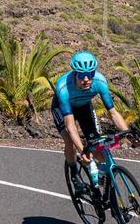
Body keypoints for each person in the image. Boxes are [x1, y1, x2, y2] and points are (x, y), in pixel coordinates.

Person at [50, 51, 130, 185]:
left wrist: (129, 133)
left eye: (90, 74)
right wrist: (83, 152)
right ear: (75, 73)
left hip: (84, 107)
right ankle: (74, 174)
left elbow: (113, 113)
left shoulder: (99, 81)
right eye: (81, 75)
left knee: (96, 143)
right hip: (62, 108)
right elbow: (70, 126)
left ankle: (101, 178)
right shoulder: (63, 87)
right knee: (70, 141)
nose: (86, 79)